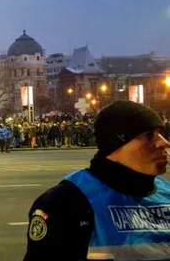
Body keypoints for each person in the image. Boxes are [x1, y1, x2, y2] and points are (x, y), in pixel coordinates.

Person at [23, 100, 170, 261]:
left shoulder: (166, 192)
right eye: (149, 136)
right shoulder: (66, 202)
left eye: (161, 133)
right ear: (116, 145)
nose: (164, 142)